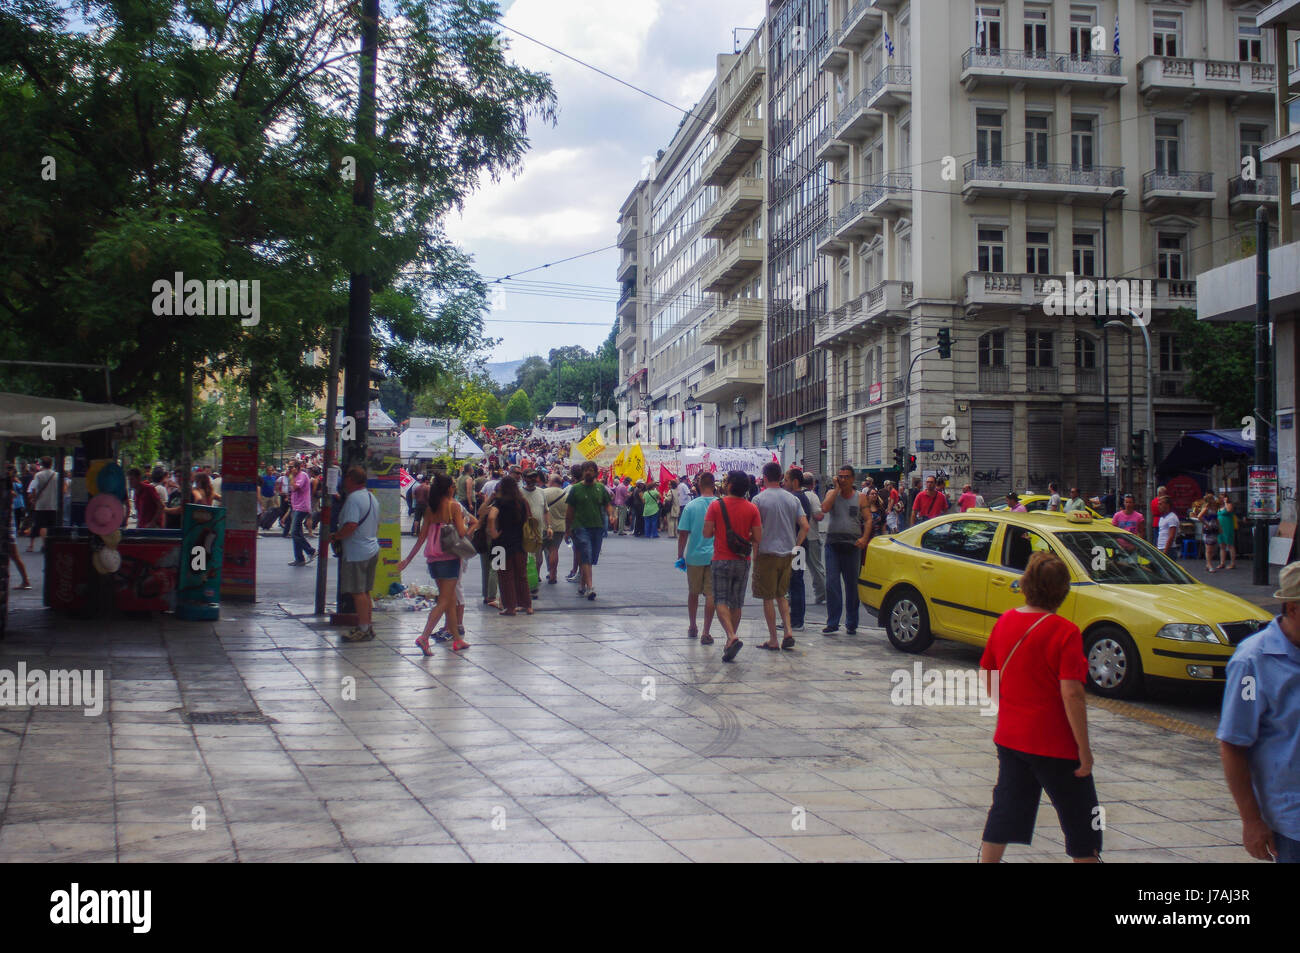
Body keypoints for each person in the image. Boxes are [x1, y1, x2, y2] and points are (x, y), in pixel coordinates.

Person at [978, 551, 1099, 863]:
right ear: (1062, 590)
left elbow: (987, 673)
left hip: (1011, 737)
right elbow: (1072, 693)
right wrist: (1084, 750)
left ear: (1027, 583)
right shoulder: (1065, 631)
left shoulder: (1005, 621)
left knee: (1004, 810)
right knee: (1083, 821)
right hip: (1056, 743)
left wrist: (1009, 707)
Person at [1217, 560, 1300, 863]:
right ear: (1293, 609)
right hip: (1292, 823)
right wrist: (1252, 821)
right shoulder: (1253, 661)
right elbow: (1233, 744)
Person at [399, 473, 470, 653]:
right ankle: (424, 637)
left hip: (433, 558)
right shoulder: (453, 506)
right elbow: (462, 533)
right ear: (449, 488)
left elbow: (422, 537)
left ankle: (456, 639)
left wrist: (408, 559)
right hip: (449, 557)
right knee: (445, 601)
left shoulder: (431, 509)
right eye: (453, 485)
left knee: (451, 599)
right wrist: (473, 525)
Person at [703, 471, 762, 663]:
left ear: (728, 485)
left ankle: (731, 636)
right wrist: (743, 536)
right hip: (743, 560)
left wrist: (722, 532)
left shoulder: (716, 505)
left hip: (721, 558)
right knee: (737, 603)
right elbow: (758, 538)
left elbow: (707, 533)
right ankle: (730, 640)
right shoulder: (752, 508)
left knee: (720, 600)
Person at [751, 463, 808, 651]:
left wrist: (754, 553)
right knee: (782, 595)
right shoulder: (792, 499)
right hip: (787, 553)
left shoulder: (758, 500)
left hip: (767, 553)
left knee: (768, 597)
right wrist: (796, 546)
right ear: (781, 477)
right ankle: (789, 631)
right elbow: (805, 526)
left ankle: (773, 638)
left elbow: (755, 530)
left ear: (765, 477)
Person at [328, 466, 382, 643]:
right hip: (371, 548)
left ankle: (363, 628)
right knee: (365, 591)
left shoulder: (353, 499)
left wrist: (336, 536)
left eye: (346, 478)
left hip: (357, 552)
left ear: (351, 480)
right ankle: (368, 626)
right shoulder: (371, 497)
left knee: (358, 592)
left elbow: (351, 525)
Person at [820, 465, 870, 636]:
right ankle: (833, 622)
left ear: (852, 478)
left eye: (846, 477)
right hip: (833, 544)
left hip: (852, 545)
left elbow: (869, 519)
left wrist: (864, 539)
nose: (843, 479)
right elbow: (824, 508)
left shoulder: (861, 497)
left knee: (851, 586)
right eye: (840, 476)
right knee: (831, 583)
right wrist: (835, 490)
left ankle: (851, 623)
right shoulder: (831, 494)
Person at [564, 461, 615, 601]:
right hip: (580, 527)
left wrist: (611, 515)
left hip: (597, 527)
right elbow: (570, 511)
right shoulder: (575, 489)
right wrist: (567, 530)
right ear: (582, 472)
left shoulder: (600, 488)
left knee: (591, 557)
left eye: (591, 470)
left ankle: (582, 582)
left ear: (595, 473)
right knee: (586, 553)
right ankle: (590, 587)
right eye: (586, 470)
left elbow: (607, 505)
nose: (588, 472)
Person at [676, 471, 717, 644]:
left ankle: (693, 625)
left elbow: (683, 534)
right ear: (714, 485)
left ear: (699, 486)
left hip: (694, 556)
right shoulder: (720, 504)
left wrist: (680, 555)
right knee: (711, 594)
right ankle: (706, 631)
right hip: (716, 556)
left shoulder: (691, 506)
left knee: (693, 593)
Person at [488, 475, 532, 616]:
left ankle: (510, 607)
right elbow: (529, 519)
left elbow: (491, 517)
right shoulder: (522, 502)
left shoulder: (499, 502)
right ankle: (527, 605)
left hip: (499, 544)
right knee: (521, 575)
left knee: (504, 576)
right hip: (519, 543)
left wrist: (493, 533)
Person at [521, 470, 547, 599]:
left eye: (533, 477)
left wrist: (549, 527)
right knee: (526, 560)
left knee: (538, 560)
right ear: (524, 478)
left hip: (538, 532)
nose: (531, 480)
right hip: (524, 533)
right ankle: (528, 587)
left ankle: (533, 582)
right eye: (528, 477)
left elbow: (546, 511)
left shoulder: (542, 492)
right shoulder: (520, 493)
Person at [801, 472, 827, 603]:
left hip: (797, 540)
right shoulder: (812, 496)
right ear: (813, 484)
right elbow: (819, 516)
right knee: (816, 567)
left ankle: (793, 594)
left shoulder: (795, 495)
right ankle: (822, 593)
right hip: (811, 537)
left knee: (797, 568)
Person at [5, 461, 30, 590]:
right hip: (9, 525)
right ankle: (25, 580)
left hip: (7, 526)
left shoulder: (9, 492)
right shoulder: (13, 489)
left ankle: (25, 580)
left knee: (14, 555)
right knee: (13, 555)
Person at [286, 461, 316, 566]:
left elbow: (295, 488)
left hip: (302, 507)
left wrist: (290, 477)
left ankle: (311, 551)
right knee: (297, 533)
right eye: (289, 467)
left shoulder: (302, 475)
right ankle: (299, 558)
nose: (290, 469)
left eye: (292, 467)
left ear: (298, 467)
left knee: (294, 532)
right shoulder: (294, 476)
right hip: (295, 507)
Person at [25, 456, 57, 553]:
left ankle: (42, 544)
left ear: (42, 464)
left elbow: (34, 489)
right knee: (51, 526)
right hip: (53, 504)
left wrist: (34, 499)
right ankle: (49, 544)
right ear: (51, 464)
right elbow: (63, 490)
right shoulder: (57, 475)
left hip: (41, 504)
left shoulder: (38, 475)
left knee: (40, 525)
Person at [541, 474, 568, 585]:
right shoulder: (566, 495)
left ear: (551, 482)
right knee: (554, 550)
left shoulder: (543, 493)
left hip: (544, 526)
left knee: (538, 551)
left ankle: (536, 575)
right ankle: (553, 575)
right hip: (559, 527)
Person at [1199, 495, 1221, 572]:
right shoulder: (1206, 509)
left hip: (1214, 528)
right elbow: (1199, 516)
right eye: (1212, 499)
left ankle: (1208, 563)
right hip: (1208, 529)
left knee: (1214, 547)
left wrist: (1219, 527)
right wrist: (1206, 524)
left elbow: (1216, 518)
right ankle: (1209, 564)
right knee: (1209, 548)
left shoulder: (1214, 508)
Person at [1218, 497, 1238, 570]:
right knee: (1222, 545)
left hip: (1228, 527)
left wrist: (1226, 502)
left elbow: (1229, 510)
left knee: (1230, 545)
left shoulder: (1229, 505)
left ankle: (1232, 563)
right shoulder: (1219, 507)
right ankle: (1222, 562)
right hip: (1220, 527)